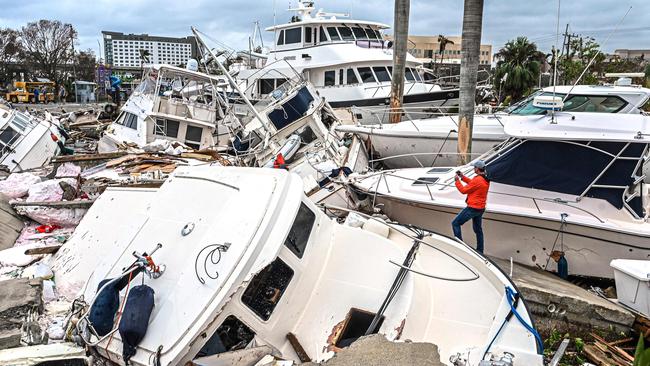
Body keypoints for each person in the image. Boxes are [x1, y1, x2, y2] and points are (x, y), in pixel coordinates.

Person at [452, 160, 490, 253]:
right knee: (478, 230)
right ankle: (480, 250)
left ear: (477, 169)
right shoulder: (484, 178)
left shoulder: (478, 180)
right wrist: (462, 177)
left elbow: (464, 190)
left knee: (455, 223)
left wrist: (457, 181)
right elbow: (473, 183)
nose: (474, 169)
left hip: (473, 208)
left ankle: (460, 246)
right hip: (480, 208)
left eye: (474, 167)